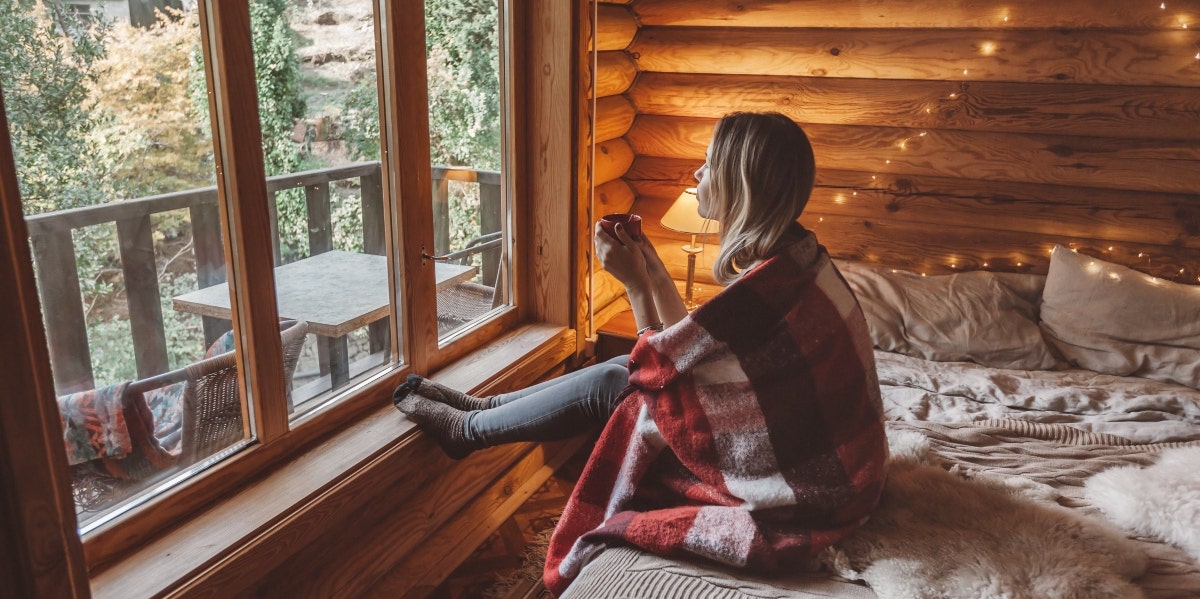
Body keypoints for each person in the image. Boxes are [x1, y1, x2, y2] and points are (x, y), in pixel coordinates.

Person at [395, 112, 888, 596]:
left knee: (619, 383)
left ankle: (468, 430)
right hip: (834, 467)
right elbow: (688, 343)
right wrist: (650, 266)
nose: (697, 174)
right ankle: (482, 412)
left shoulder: (770, 286)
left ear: (741, 184)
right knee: (617, 372)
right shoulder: (792, 257)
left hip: (810, 489)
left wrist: (633, 283)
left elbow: (659, 366)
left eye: (710, 163)